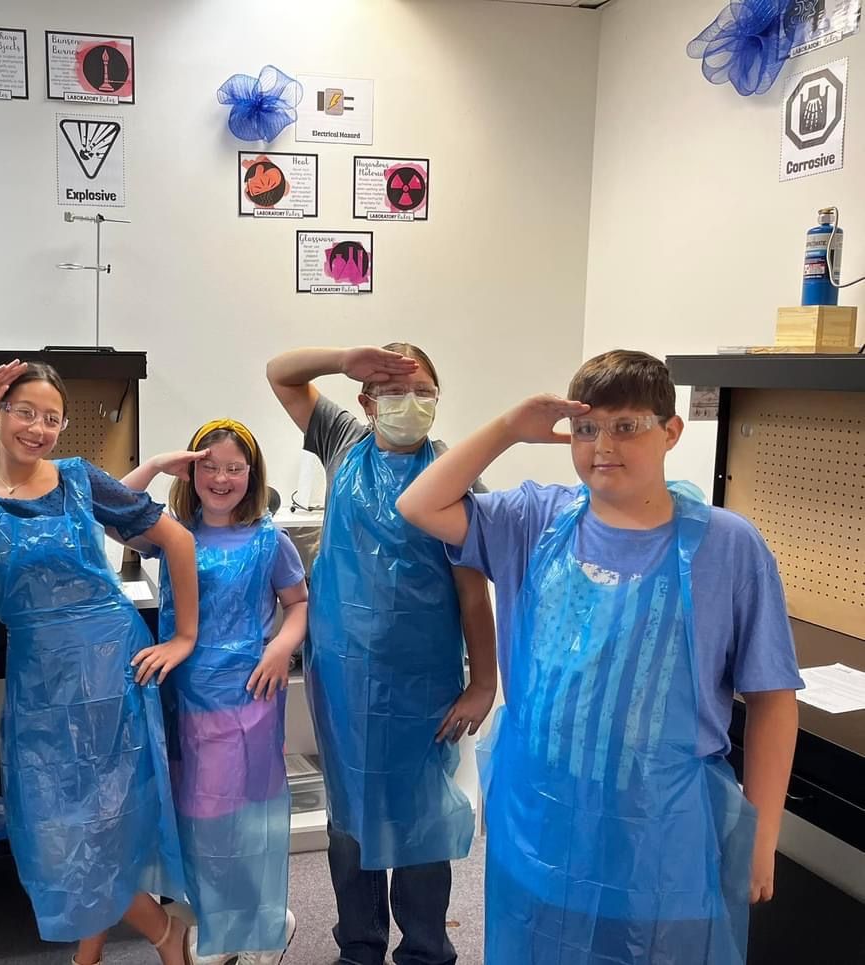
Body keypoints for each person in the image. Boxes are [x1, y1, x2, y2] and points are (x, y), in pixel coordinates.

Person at [396, 349, 803, 965]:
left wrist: (762, 835)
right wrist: (509, 427)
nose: (602, 445)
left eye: (626, 426)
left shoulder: (727, 548)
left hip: (662, 837)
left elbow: (773, 700)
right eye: (586, 429)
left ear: (671, 432)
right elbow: (419, 505)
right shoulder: (536, 520)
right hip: (544, 821)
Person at [0, 361, 199, 965]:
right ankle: (151, 933)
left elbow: (176, 539)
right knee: (54, 819)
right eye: (24, 412)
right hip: (39, 673)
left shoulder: (78, 478)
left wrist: (183, 637)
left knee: (106, 813)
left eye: (52, 418)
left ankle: (117, 943)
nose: (38, 428)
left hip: (109, 663)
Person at [266, 344, 497, 965]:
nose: (409, 404)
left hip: (423, 675)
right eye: (393, 391)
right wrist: (346, 358)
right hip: (342, 670)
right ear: (367, 401)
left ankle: (426, 949)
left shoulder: (453, 471)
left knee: (421, 814)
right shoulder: (343, 440)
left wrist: (484, 684)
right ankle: (359, 945)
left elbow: (474, 594)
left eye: (422, 390)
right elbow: (280, 374)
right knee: (350, 809)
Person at [124, 418, 307, 965]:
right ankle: (223, 919)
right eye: (210, 467)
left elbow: (298, 603)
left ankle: (257, 924)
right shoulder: (172, 531)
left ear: (252, 476)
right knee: (190, 811)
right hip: (181, 694)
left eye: (234, 468)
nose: (222, 479)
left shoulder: (268, 539)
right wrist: (156, 465)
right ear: (192, 471)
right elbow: (109, 513)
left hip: (244, 696)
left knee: (228, 814)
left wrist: (281, 648)